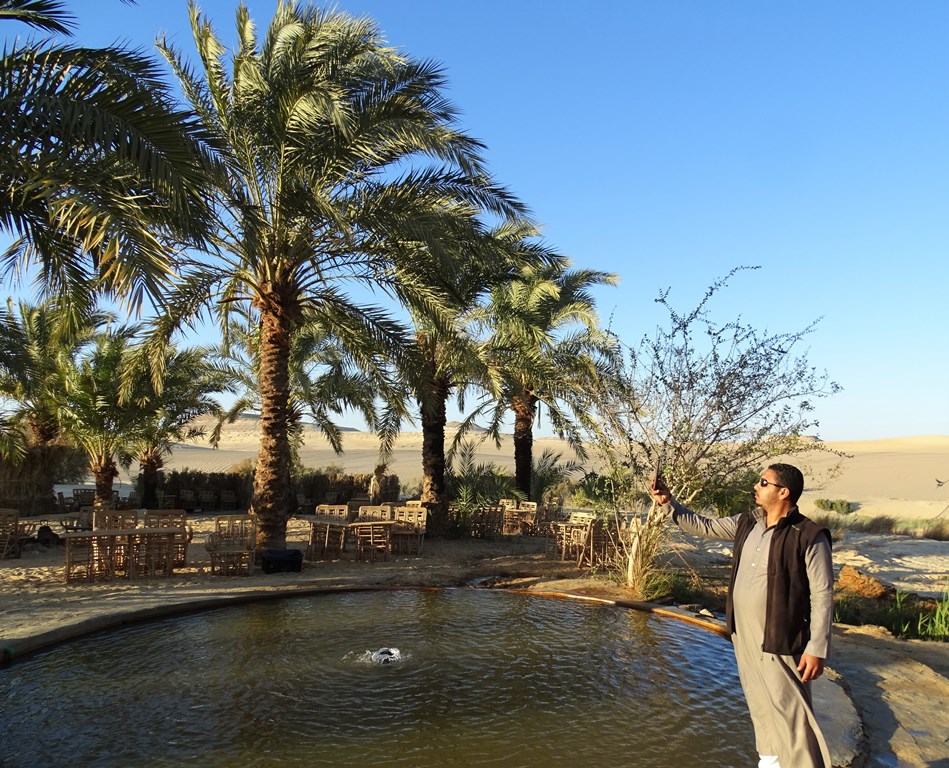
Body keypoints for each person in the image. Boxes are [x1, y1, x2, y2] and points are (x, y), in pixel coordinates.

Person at [650, 463, 834, 768]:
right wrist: (669, 503)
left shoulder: (809, 536)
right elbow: (704, 526)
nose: (756, 487)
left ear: (783, 492)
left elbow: (823, 593)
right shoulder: (747, 522)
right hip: (743, 631)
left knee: (792, 711)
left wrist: (817, 647)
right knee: (759, 700)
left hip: (780, 634)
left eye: (763, 482)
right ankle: (771, 760)